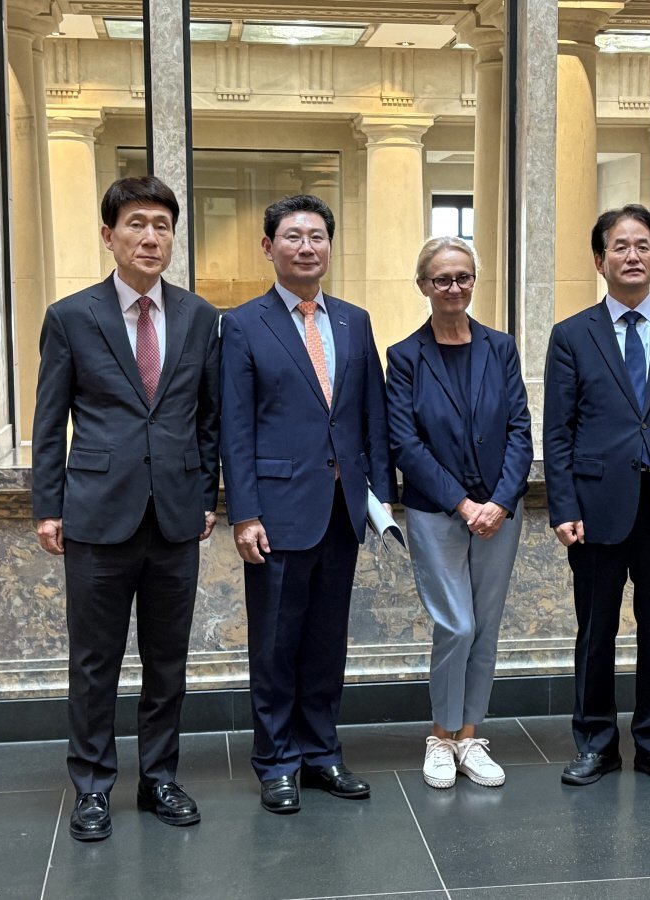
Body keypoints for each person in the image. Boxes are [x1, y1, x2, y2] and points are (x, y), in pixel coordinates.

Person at [32, 175, 221, 841]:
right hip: (95, 513)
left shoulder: (200, 316)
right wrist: (47, 505)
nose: (150, 237)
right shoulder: (71, 316)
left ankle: (160, 777)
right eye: (136, 224)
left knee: (168, 660)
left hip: (175, 514)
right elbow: (49, 420)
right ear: (109, 236)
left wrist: (205, 494)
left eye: (162, 225)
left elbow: (207, 417)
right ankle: (91, 785)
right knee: (95, 662)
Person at [220, 194, 397, 815]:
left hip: (342, 509)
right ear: (268, 247)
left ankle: (322, 753)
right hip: (275, 512)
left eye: (317, 236)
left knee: (326, 643)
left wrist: (381, 497)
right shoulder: (242, 324)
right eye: (293, 237)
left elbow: (372, 415)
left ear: (330, 246)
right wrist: (244, 512)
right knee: (275, 645)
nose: (306, 247)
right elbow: (235, 427)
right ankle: (276, 762)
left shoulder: (354, 321)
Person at [543, 204, 650, 789]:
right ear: (600, 260)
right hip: (596, 508)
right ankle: (595, 742)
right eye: (620, 246)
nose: (633, 255)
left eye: (643, 245)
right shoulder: (572, 335)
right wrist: (563, 507)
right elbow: (558, 431)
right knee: (595, 630)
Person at [386, 237, 533, 790]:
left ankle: (469, 736)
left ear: (474, 281)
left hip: (499, 513)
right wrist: (464, 503)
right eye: (442, 279)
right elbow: (405, 443)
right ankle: (440, 736)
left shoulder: (501, 347)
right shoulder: (405, 356)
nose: (454, 287)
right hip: (437, 512)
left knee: (486, 628)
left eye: (463, 277)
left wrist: (500, 501)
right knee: (457, 624)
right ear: (423, 285)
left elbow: (519, 429)